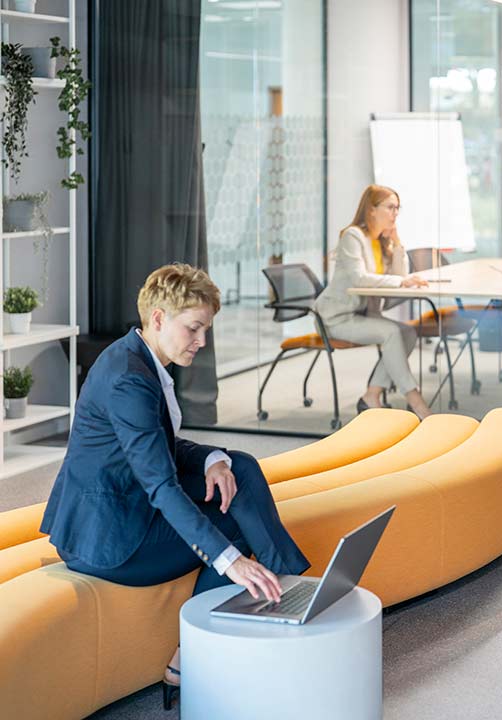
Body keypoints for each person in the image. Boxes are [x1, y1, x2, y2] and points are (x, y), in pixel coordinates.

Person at [40, 264, 310, 709]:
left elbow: (158, 442)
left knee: (237, 467)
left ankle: (286, 579)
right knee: (235, 530)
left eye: (205, 329)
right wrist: (233, 562)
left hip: (122, 506)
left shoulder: (140, 358)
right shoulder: (130, 378)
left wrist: (212, 460)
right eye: (194, 328)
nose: (202, 342)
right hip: (109, 542)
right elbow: (162, 488)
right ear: (160, 318)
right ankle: (195, 654)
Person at [313, 185, 433, 419]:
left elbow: (400, 276)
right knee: (391, 332)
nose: (395, 213)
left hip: (362, 315)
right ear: (371, 209)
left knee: (407, 333)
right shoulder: (353, 236)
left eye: (397, 208)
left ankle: (371, 395)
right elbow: (360, 278)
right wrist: (402, 282)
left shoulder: (380, 241)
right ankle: (415, 400)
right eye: (390, 207)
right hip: (336, 318)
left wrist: (397, 243)